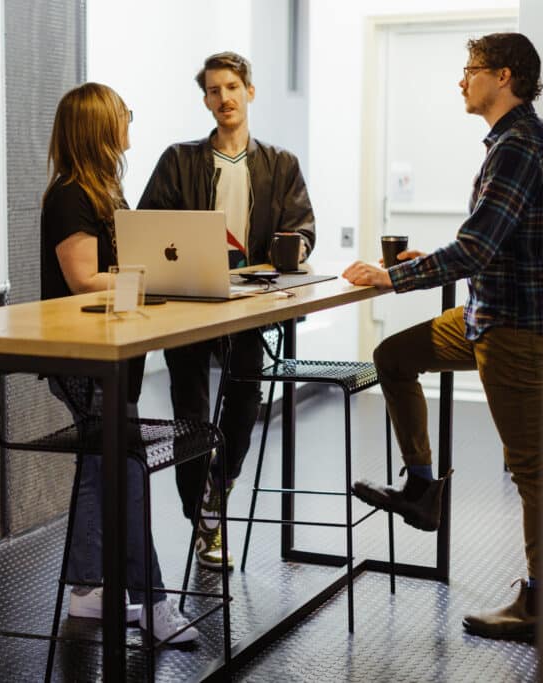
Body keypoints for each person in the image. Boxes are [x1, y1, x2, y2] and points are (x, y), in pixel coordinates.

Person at [342, 33, 543, 641]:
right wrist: (424, 260)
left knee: (532, 468)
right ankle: (422, 489)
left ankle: (541, 602)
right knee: (394, 355)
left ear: (503, 76)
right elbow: (490, 240)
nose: (461, 80)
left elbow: (478, 246)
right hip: (485, 314)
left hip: (512, 327)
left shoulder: (520, 145)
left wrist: (394, 275)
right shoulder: (515, 142)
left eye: (471, 70)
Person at [138, 52, 316, 570]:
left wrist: (297, 248)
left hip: (250, 308)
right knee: (190, 415)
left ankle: (219, 488)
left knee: (243, 405)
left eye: (232, 87)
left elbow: (303, 227)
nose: (224, 99)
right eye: (214, 91)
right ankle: (205, 521)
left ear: (250, 92)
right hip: (188, 308)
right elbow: (148, 226)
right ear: (206, 101)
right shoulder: (179, 159)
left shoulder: (280, 164)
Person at [40, 82, 198, 643]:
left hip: (111, 355)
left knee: (97, 464)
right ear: (100, 129)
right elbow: (83, 278)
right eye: (123, 115)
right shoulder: (71, 196)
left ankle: (86, 592)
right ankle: (153, 603)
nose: (129, 121)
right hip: (86, 359)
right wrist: (155, 277)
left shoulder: (105, 191)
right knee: (125, 467)